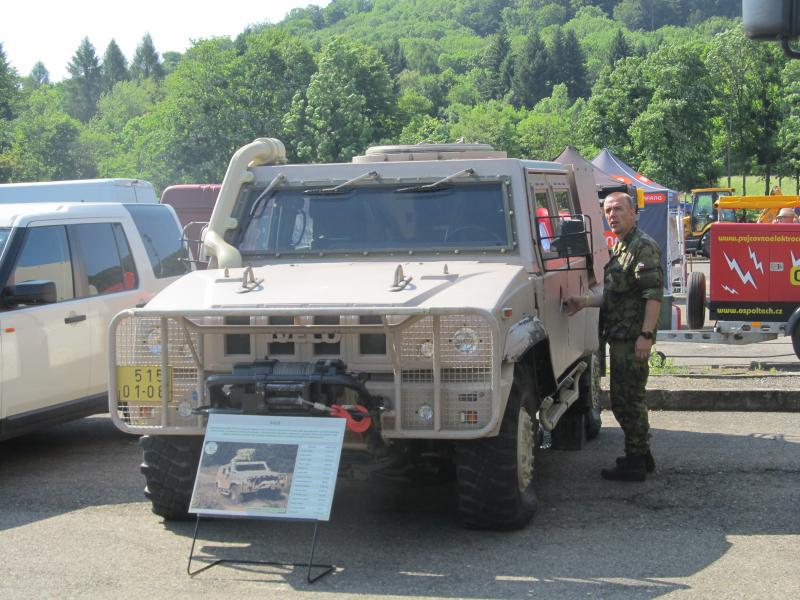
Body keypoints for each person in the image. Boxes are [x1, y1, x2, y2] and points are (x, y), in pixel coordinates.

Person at [566, 192, 663, 482]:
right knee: (628, 398)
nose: (612, 215)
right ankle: (641, 455)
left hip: (632, 339)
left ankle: (635, 462)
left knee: (626, 401)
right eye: (607, 210)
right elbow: (614, 295)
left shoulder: (642, 247)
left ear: (633, 212)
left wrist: (645, 335)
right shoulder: (622, 247)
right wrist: (583, 302)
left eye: (618, 209)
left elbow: (653, 296)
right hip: (620, 336)